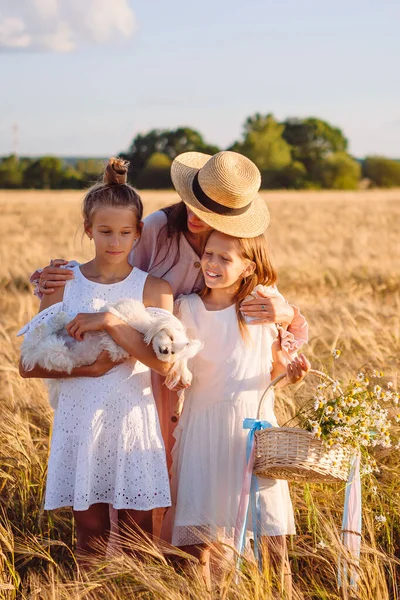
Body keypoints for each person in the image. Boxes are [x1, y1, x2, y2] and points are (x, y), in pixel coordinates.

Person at [31, 150, 309, 535]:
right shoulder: (158, 228)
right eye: (192, 202)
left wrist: (285, 314)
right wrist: (60, 280)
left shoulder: (236, 243)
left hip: (208, 378)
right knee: (149, 465)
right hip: (145, 370)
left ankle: (175, 572)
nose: (195, 214)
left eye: (208, 212)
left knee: (196, 478)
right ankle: (128, 569)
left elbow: (272, 309)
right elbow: (115, 272)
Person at [19, 158, 173, 561]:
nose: (114, 241)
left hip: (133, 421)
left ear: (139, 232)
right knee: (89, 533)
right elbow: (28, 364)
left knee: (140, 533)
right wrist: (92, 368)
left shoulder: (154, 288)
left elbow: (166, 364)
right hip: (79, 420)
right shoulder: (63, 284)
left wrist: (111, 325)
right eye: (104, 231)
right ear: (88, 229)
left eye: (125, 232)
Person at [170, 229, 311, 597]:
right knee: (197, 541)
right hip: (202, 430)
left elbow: (276, 376)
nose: (212, 264)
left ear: (248, 267)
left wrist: (291, 374)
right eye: (209, 254)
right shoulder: (187, 308)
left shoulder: (260, 308)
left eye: (224, 258)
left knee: (272, 535)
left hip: (255, 434)